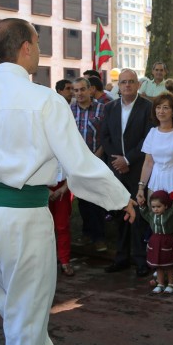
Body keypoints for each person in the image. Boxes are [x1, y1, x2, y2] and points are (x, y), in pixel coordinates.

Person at [0, 18, 135, 345]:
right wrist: (120, 198)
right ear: (26, 47)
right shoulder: (44, 100)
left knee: (19, 317)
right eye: (38, 43)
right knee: (25, 323)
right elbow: (79, 163)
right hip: (23, 219)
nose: (40, 50)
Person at [137, 92, 173, 292]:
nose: (161, 111)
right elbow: (148, 162)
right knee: (159, 231)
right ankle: (162, 271)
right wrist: (141, 187)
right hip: (155, 185)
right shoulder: (152, 133)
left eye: (166, 107)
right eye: (158, 107)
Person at [100, 68, 153, 276]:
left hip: (138, 169)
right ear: (118, 86)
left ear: (138, 85)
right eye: (123, 82)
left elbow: (147, 138)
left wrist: (128, 159)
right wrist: (117, 161)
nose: (127, 85)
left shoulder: (147, 107)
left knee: (138, 216)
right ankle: (121, 257)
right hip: (117, 170)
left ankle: (141, 261)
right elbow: (105, 137)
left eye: (131, 82)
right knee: (120, 213)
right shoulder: (110, 107)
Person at [70, 77, 109, 253]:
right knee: (83, 200)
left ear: (90, 90)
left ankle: (100, 237)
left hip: (98, 159)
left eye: (82, 90)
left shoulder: (102, 109)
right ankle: (87, 233)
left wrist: (97, 155)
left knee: (98, 199)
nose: (79, 93)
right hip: (78, 162)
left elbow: (107, 135)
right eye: (75, 90)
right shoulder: (69, 110)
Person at [140, 190, 173, 294]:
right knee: (158, 264)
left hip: (167, 242)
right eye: (153, 207)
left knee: (169, 265)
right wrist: (142, 205)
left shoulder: (171, 214)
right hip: (155, 242)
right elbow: (144, 213)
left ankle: (171, 284)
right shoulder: (151, 215)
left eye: (158, 206)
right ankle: (160, 284)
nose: (155, 209)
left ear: (165, 206)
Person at [48, 165, 74, 276]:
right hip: (40, 188)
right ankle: (47, 262)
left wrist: (65, 186)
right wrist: (43, 190)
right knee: (43, 227)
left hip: (63, 186)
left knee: (62, 225)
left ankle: (64, 261)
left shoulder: (68, 146)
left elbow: (74, 166)